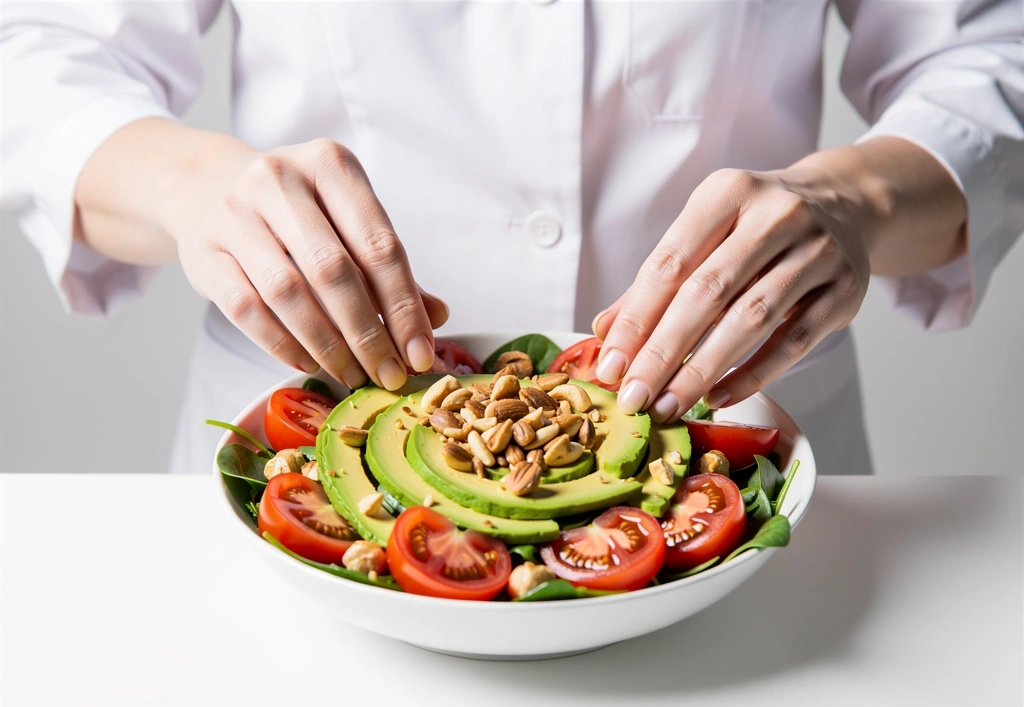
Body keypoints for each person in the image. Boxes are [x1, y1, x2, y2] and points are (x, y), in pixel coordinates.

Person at [2, 1, 1021, 475]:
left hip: (741, 457)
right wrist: (195, 188)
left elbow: (991, 47)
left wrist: (858, 199)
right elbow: (41, 54)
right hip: (308, 465)